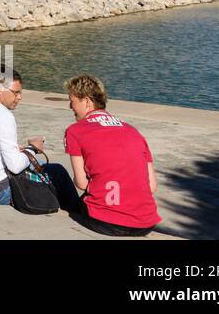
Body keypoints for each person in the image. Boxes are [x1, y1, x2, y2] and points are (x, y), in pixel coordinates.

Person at [0, 68, 78, 208]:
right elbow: (15, 166)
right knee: (57, 172)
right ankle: (78, 212)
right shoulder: (2, 114)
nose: (19, 97)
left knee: (36, 165)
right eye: (15, 92)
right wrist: (33, 149)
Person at [62, 74, 161, 236]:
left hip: (106, 221)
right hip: (146, 222)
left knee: (58, 176)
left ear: (87, 101)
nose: (70, 106)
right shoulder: (133, 131)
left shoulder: (75, 131)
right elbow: (152, 186)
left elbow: (80, 183)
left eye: (72, 101)